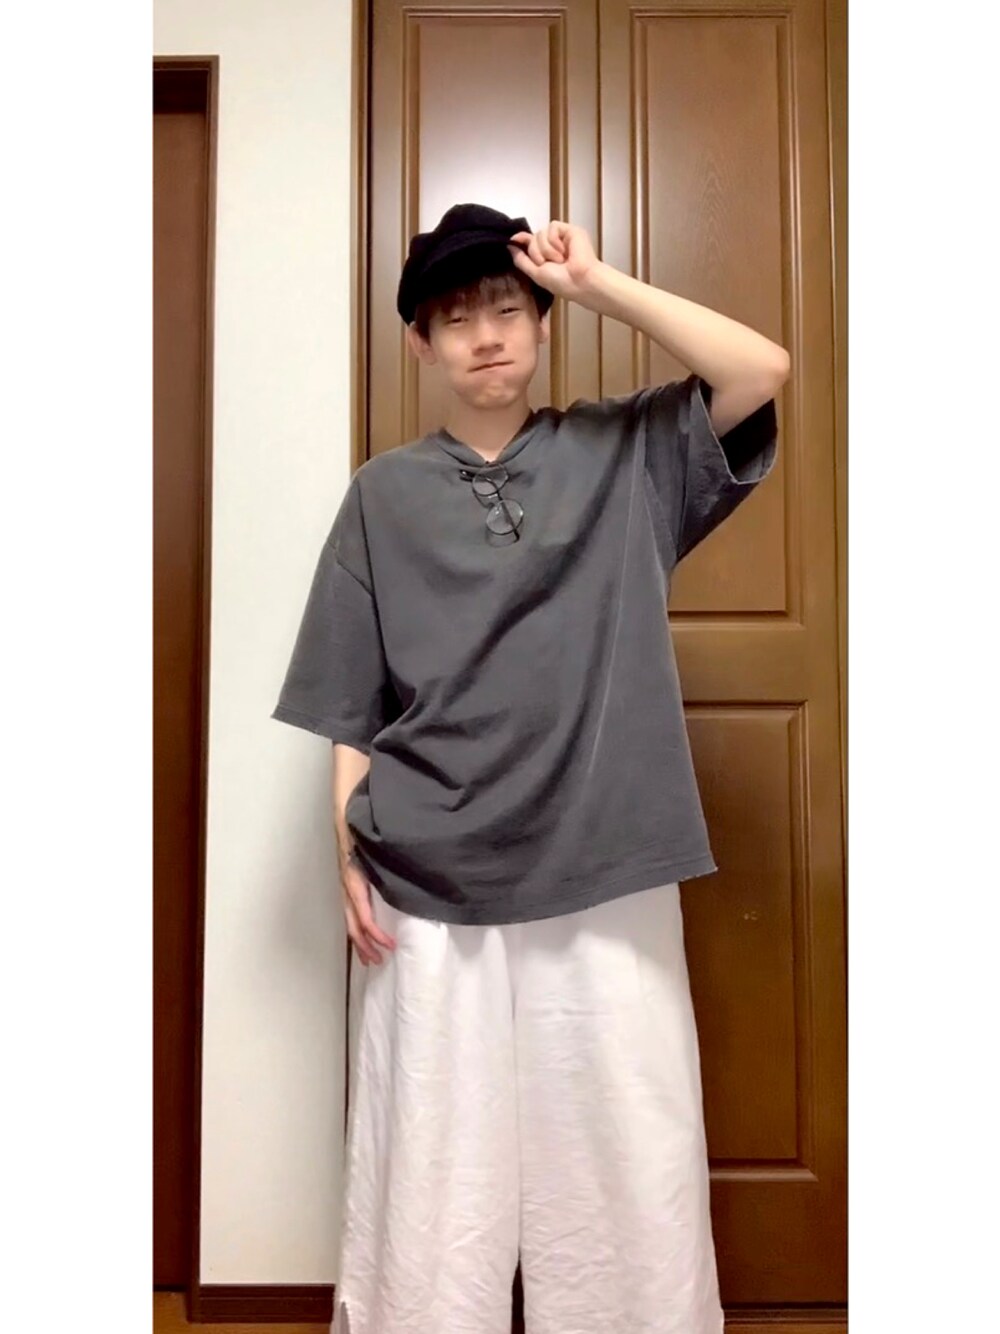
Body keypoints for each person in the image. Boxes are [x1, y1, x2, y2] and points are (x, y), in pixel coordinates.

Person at [272, 203, 789, 1334]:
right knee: (430, 1176)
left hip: (606, 858)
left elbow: (760, 368)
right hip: (425, 874)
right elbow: (350, 699)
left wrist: (598, 282)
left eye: (507, 308)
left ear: (544, 322)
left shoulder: (627, 453)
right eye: (455, 318)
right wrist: (343, 849)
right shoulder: (380, 496)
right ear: (420, 343)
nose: (487, 335)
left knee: (623, 1161)